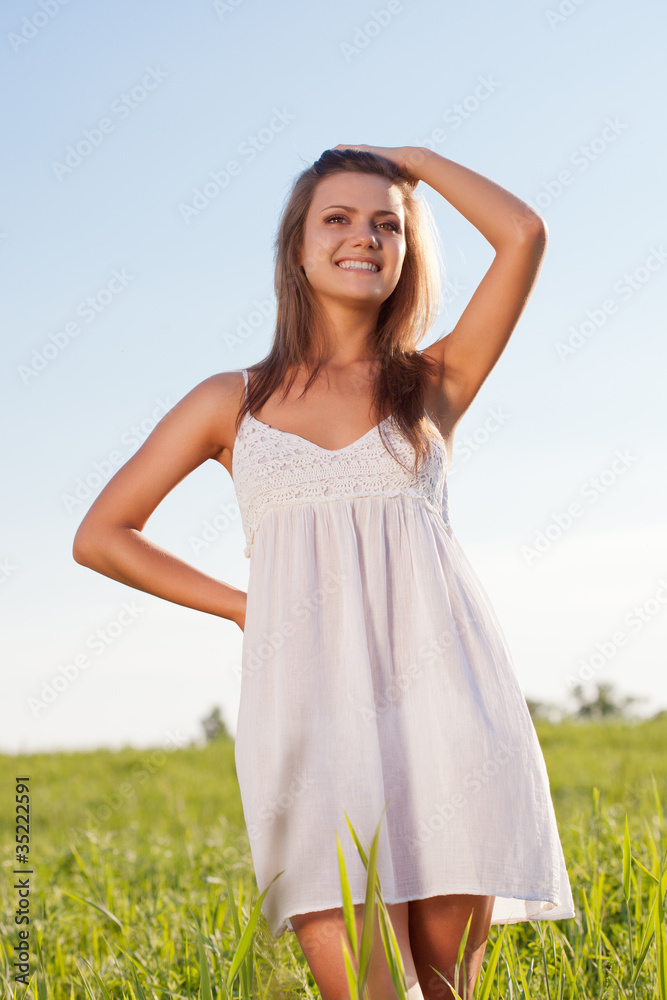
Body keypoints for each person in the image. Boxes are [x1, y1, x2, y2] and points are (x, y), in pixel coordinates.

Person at [73, 144, 575, 1000]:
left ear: (407, 249)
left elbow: (522, 234)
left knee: (446, 991)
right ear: (297, 249)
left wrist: (410, 161)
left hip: (449, 702)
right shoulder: (229, 400)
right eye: (336, 219)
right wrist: (243, 608)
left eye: (387, 223)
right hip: (307, 710)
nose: (364, 236)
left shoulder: (433, 382)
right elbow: (104, 534)